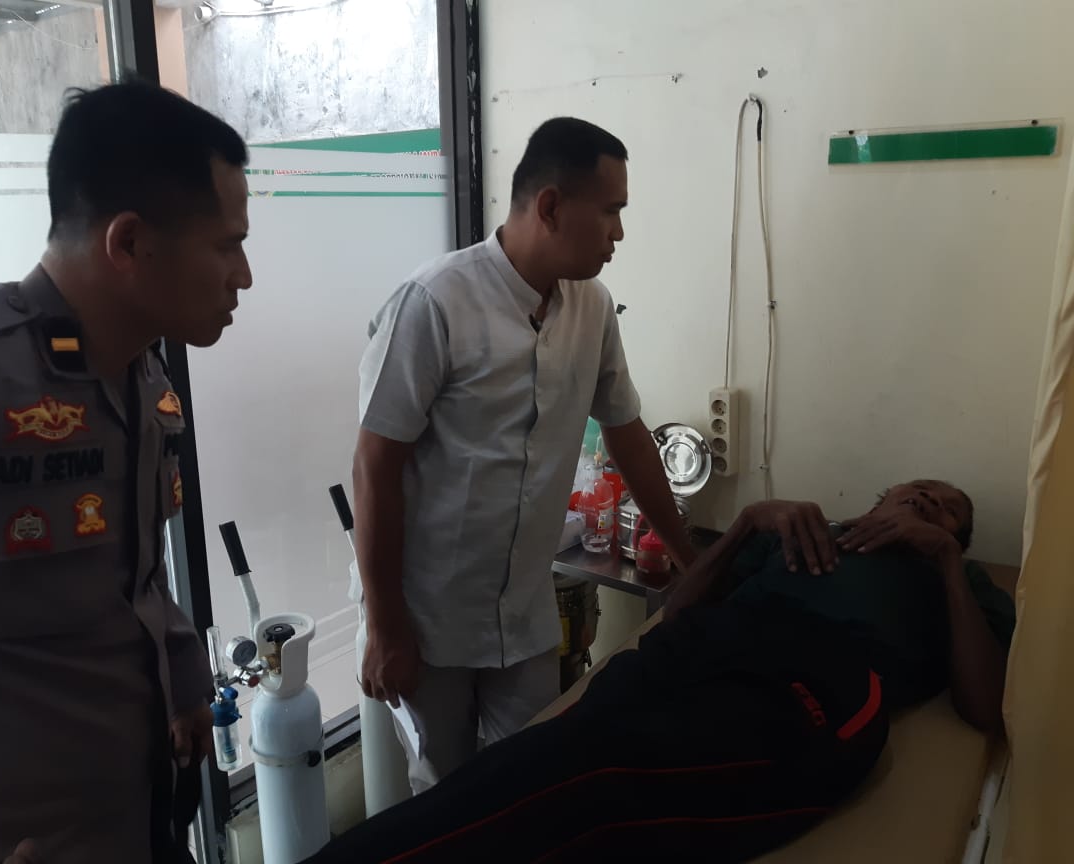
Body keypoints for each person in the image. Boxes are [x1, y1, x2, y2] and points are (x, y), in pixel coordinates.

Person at [306, 479, 1015, 862]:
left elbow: (985, 706)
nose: (932, 501)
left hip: (811, 685)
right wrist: (747, 522)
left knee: (597, 783)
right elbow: (675, 612)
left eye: (949, 511)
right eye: (920, 490)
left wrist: (947, 560)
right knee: (543, 755)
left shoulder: (958, 585)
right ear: (880, 495)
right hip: (699, 650)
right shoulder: (803, 532)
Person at [0, 82, 252, 863]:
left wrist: (182, 678)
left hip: (141, 813)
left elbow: (136, 573)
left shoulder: (142, 374)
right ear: (129, 243)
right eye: (226, 245)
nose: (242, 276)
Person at [353, 117, 695, 792]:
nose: (619, 233)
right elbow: (374, 468)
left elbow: (627, 433)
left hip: (524, 611)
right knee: (446, 798)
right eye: (611, 212)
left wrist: (689, 558)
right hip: (428, 616)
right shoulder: (435, 303)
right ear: (551, 207)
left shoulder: (592, 309)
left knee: (534, 780)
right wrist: (385, 626)